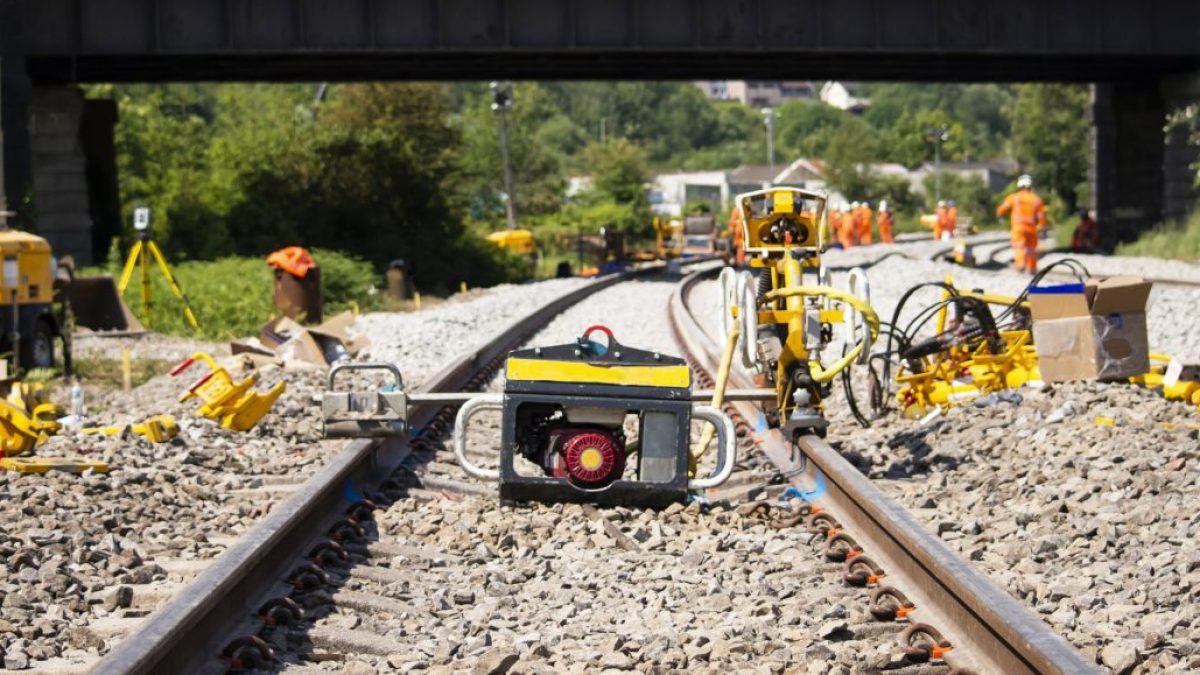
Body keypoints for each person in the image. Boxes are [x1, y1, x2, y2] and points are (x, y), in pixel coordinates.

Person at [997, 174, 1047, 274]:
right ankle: (1032, 268)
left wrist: (1000, 216)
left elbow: (1002, 209)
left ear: (1019, 185)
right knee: (1031, 248)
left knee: (1019, 246)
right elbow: (1041, 217)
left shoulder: (1014, 197)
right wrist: (1040, 226)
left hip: (1018, 227)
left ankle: (1021, 266)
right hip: (1031, 228)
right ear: (1030, 185)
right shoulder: (1037, 199)